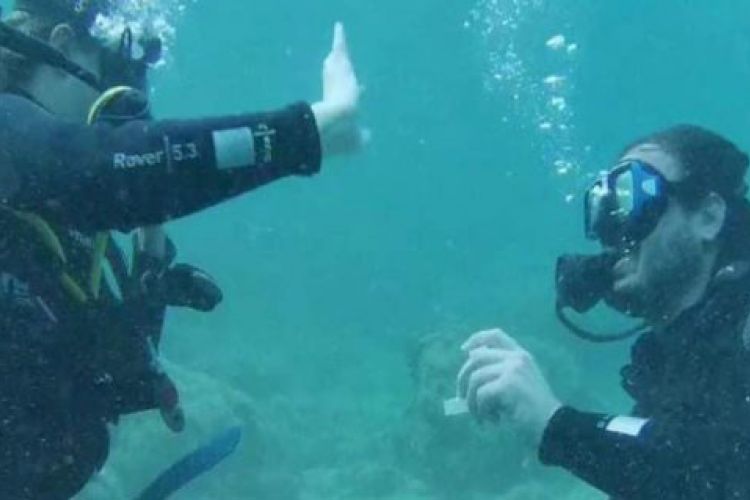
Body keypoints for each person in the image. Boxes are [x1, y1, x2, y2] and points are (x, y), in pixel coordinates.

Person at [0, 0, 364, 498]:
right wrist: (304, 133)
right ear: (62, 44)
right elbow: (95, 170)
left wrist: (150, 258)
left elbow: (118, 368)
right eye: (107, 78)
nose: (105, 110)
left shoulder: (57, 225)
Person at [456, 125, 750, 499]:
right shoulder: (682, 351)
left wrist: (554, 424)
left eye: (634, 197)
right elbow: (667, 451)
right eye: (604, 209)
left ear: (708, 217)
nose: (614, 231)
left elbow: (724, 475)